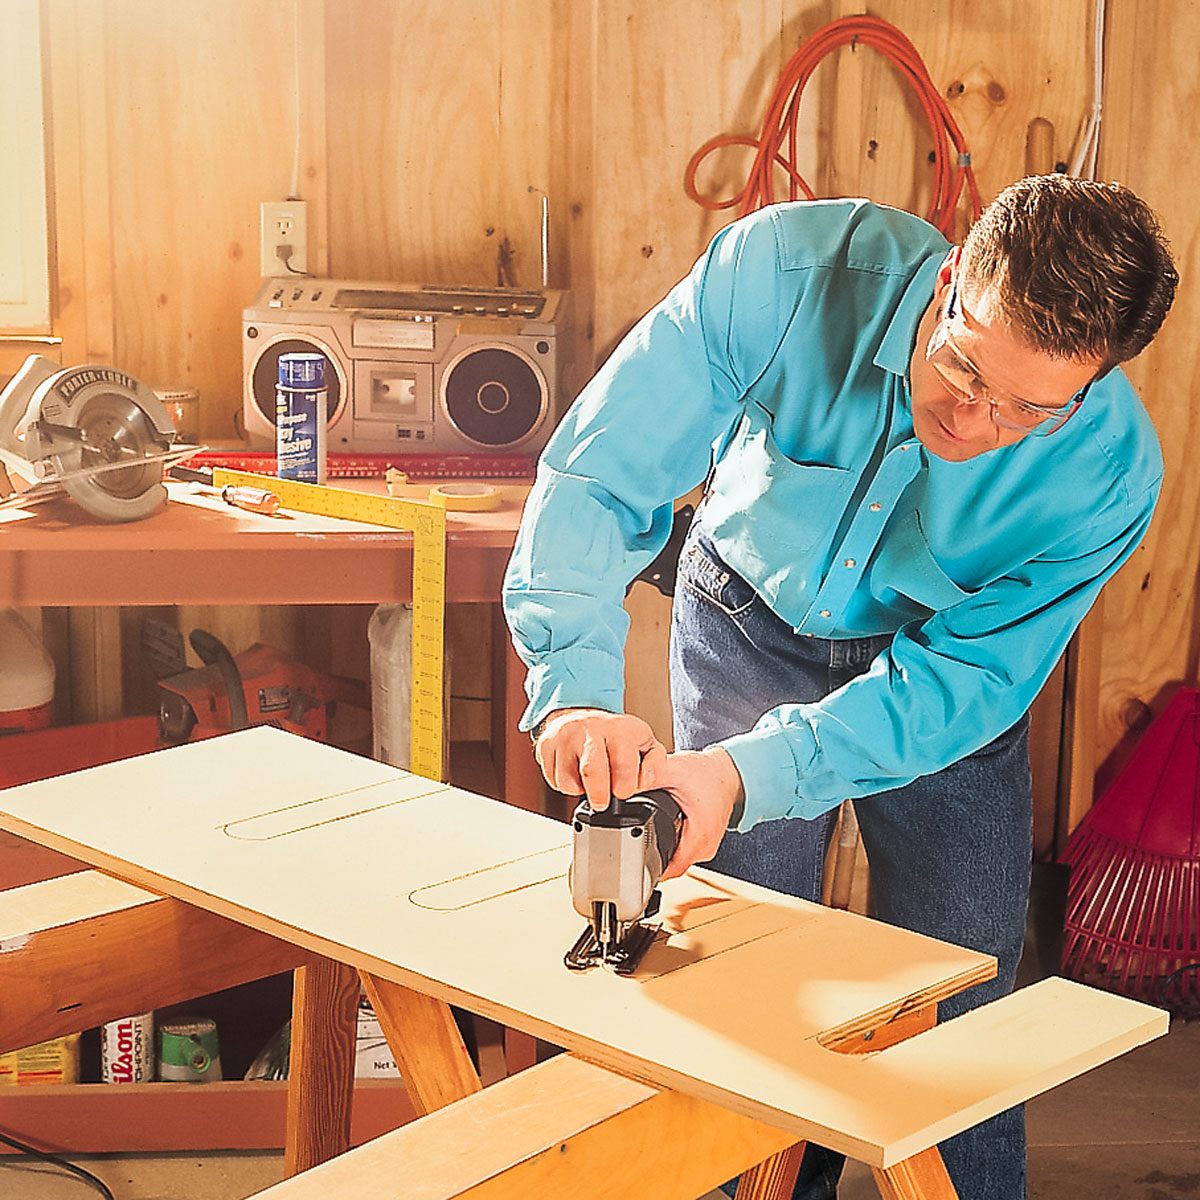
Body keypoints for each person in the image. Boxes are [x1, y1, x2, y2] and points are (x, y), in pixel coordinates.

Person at [502, 174, 1177, 1200]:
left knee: (965, 991)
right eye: (961, 369)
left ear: (1086, 390)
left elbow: (965, 678)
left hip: (938, 681)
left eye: (1028, 410)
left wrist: (749, 771)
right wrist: (575, 685)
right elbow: (605, 474)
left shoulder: (1108, 478)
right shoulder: (782, 274)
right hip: (746, 621)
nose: (974, 422)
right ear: (951, 280)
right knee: (742, 973)